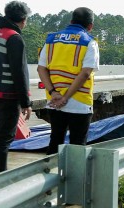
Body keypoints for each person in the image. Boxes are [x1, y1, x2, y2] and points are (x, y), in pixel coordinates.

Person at [37, 7, 99, 155]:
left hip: (54, 101)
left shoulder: (51, 39)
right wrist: (65, 97)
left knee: (55, 142)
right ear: (90, 26)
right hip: (79, 102)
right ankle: (74, 178)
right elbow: (85, 74)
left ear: (71, 21)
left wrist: (54, 93)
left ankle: (50, 175)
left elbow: (41, 69)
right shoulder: (89, 42)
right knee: (77, 146)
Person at [0, 1, 32, 174]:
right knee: (4, 137)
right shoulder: (14, 38)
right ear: (23, 19)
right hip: (8, 94)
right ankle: (0, 176)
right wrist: (26, 102)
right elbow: (19, 72)